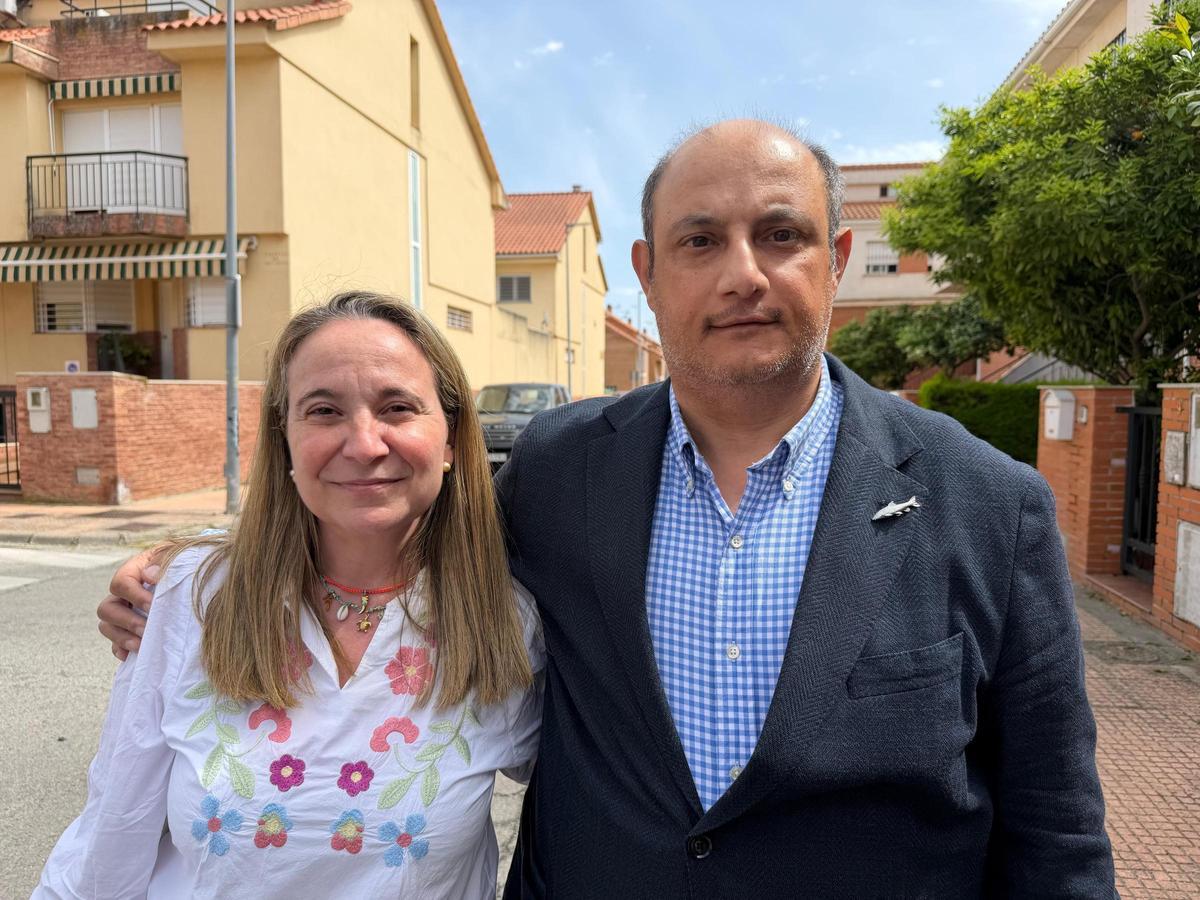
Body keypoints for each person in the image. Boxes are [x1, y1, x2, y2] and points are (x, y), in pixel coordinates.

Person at [99, 120, 1117, 897]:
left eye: (781, 236)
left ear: (838, 259)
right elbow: (388, 519)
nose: (743, 275)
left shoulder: (994, 507)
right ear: (648, 271)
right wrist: (182, 574)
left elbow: (1057, 833)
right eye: (700, 240)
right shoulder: (558, 471)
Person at [40, 292, 543, 899]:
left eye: (398, 407)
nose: (363, 443)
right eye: (324, 410)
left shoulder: (503, 621)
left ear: (450, 439)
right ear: (283, 439)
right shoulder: (192, 598)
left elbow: (593, 811)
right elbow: (113, 832)